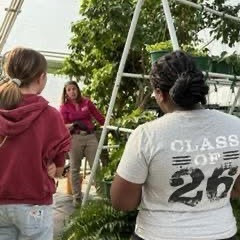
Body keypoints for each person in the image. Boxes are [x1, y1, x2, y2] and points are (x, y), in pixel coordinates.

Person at [111, 50, 240, 240]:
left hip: (158, 234)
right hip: (221, 232)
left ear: (159, 94)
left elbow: (122, 202)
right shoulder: (235, 126)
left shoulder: (147, 135)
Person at [0, 47, 71, 240]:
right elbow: (58, 170)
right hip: (34, 204)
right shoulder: (50, 116)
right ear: (41, 78)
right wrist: (52, 168)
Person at [60, 81, 105, 206]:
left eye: (74, 89)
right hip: (75, 138)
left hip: (90, 137)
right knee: (74, 168)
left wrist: (108, 127)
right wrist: (73, 124)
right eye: (69, 90)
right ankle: (77, 198)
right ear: (66, 93)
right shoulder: (64, 107)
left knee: (96, 166)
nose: (72, 92)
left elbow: (99, 117)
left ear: (77, 90)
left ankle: (102, 196)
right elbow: (62, 125)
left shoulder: (86, 102)